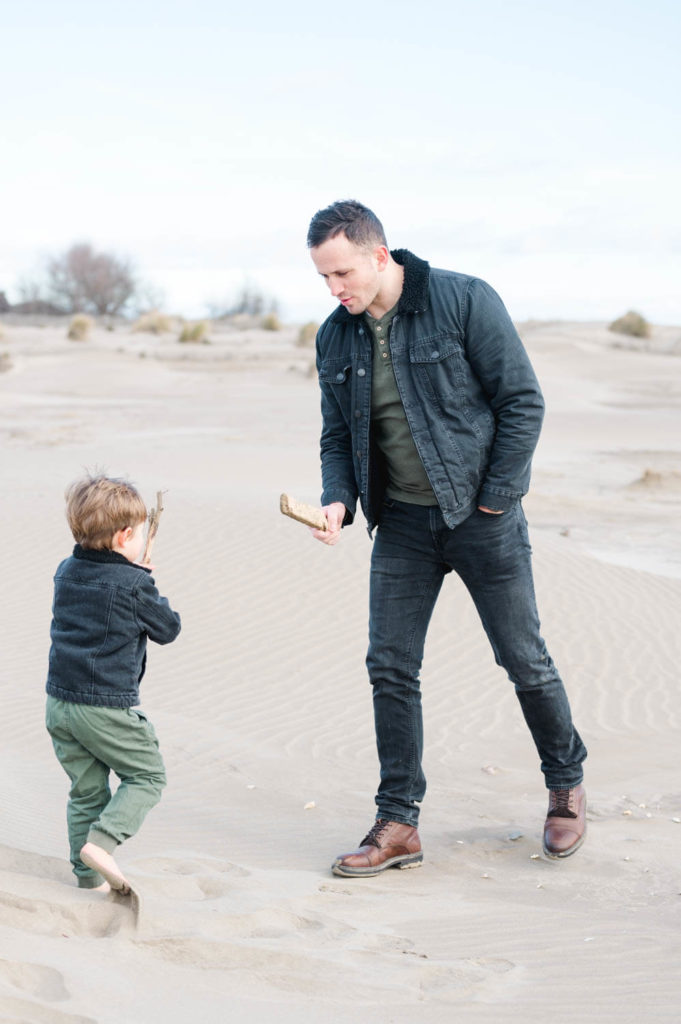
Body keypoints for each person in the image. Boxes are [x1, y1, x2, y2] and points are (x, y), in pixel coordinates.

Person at [306, 200, 587, 877]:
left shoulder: (463, 300)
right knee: (389, 667)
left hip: (482, 518)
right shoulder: (334, 337)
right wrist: (338, 500)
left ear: (379, 256)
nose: (334, 288)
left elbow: (521, 401)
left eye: (343, 273)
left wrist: (495, 498)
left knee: (523, 660)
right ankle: (398, 823)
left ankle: (565, 786)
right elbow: (337, 436)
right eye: (323, 277)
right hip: (400, 524)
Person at [45, 474, 181, 893]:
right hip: (102, 707)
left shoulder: (66, 570)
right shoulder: (135, 584)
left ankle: (88, 880)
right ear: (124, 536)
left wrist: (133, 577)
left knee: (86, 792)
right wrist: (145, 584)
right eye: (138, 533)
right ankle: (102, 844)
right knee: (147, 775)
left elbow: (102, 593)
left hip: (58, 704)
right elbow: (168, 628)